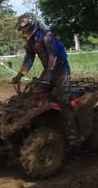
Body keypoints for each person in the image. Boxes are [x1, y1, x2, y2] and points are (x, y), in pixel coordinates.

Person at [11, 13, 80, 141]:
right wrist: (20, 74)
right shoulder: (30, 41)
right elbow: (29, 58)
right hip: (48, 71)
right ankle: (40, 124)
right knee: (34, 95)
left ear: (32, 25)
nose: (22, 31)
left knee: (63, 99)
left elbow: (52, 55)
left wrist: (49, 71)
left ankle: (73, 132)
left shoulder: (47, 36)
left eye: (24, 28)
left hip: (61, 70)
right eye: (21, 29)